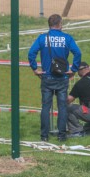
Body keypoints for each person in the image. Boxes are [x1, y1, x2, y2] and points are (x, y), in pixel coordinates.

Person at [28, 14, 81, 142]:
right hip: (62, 77)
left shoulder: (42, 38)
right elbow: (77, 53)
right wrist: (73, 70)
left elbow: (31, 53)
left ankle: (44, 136)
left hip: (46, 76)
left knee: (46, 107)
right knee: (62, 107)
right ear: (59, 24)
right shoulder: (67, 38)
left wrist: (35, 69)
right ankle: (61, 135)